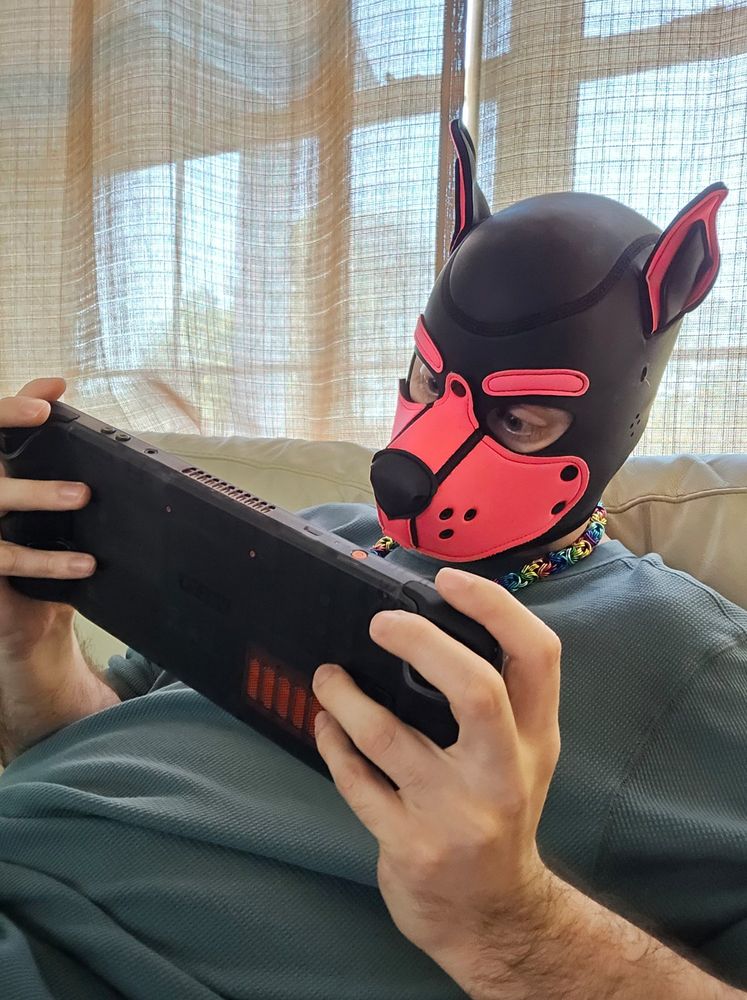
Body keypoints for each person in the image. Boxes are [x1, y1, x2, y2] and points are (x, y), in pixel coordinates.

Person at [0, 121, 744, 999]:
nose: (416, 454)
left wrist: (511, 920)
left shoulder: (691, 657)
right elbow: (89, 744)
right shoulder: (315, 529)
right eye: (428, 381)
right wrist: (29, 651)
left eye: (516, 418)